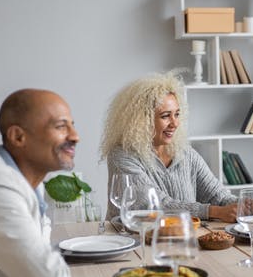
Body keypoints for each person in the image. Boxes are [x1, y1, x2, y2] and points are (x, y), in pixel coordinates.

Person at [0, 89, 77, 277]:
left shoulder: (28, 180)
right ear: (18, 137)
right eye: (61, 126)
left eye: (72, 125)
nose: (75, 136)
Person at [101, 71, 237, 222]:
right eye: (165, 116)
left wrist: (246, 206)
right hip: (130, 240)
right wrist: (214, 211)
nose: (175, 123)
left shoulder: (186, 154)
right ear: (142, 120)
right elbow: (154, 206)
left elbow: (217, 196)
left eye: (177, 114)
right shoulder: (121, 155)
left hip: (178, 240)